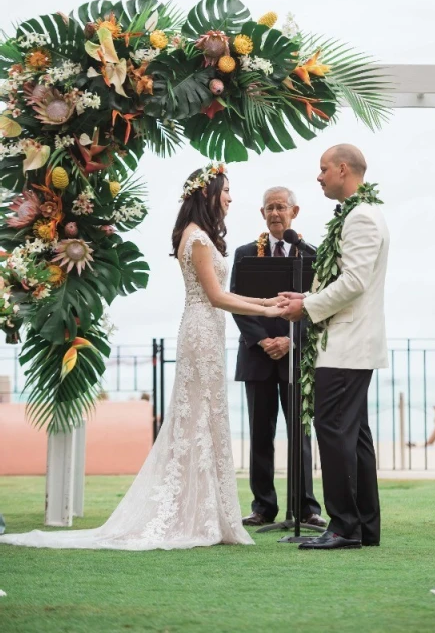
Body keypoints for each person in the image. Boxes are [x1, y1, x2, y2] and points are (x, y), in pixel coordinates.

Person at [0, 163, 283, 551]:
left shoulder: (198, 235)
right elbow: (217, 296)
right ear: (208, 193)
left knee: (206, 417)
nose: (231, 198)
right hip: (201, 329)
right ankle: (190, 515)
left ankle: (204, 512)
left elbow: (222, 295)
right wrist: (268, 310)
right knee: (196, 418)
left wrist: (266, 300)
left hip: (207, 329)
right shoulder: (198, 238)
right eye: (226, 190)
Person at [280, 144, 389, 550]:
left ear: (343, 169)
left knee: (333, 429)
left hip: (347, 342)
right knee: (354, 435)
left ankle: (343, 527)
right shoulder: (363, 213)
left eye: (324, 169)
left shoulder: (361, 217)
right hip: (354, 341)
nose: (319, 176)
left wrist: (306, 306)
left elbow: (355, 282)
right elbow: (346, 281)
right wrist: (306, 295)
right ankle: (364, 527)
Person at [230, 186, 325, 528]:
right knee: (260, 434)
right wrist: (263, 341)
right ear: (262, 213)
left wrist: (289, 340)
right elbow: (237, 304)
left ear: (293, 212)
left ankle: (306, 508)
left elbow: (317, 306)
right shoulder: (244, 254)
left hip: (295, 358)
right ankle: (262, 507)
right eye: (269, 207)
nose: (274, 213)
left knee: (300, 433)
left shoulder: (310, 253)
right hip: (257, 358)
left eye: (280, 207)